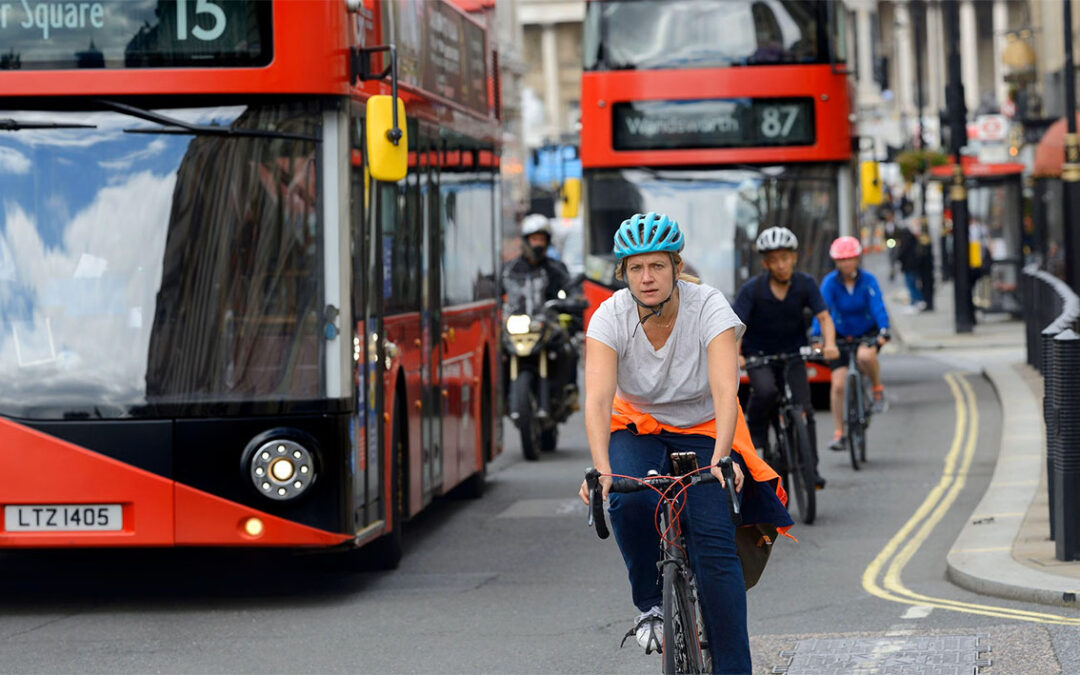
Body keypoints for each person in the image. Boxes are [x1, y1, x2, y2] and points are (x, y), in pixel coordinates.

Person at [577, 212, 792, 673]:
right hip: (636, 423)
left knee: (716, 555)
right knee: (630, 502)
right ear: (624, 274)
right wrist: (601, 471)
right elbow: (596, 400)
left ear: (677, 266)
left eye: (656, 265)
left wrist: (721, 458)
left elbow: (725, 389)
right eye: (636, 268)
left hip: (704, 426)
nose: (647, 277)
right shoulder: (609, 316)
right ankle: (650, 604)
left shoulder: (709, 306)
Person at [734, 227, 839, 490]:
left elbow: (824, 318)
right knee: (766, 391)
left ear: (794, 257)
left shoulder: (805, 284)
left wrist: (830, 344)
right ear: (765, 263)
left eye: (785, 257)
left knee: (805, 408)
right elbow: (736, 326)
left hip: (794, 354)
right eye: (774, 259)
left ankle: (811, 469)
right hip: (759, 355)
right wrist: (736, 355)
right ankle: (757, 435)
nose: (780, 264)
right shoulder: (752, 290)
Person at [819, 236, 891, 451]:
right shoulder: (830, 283)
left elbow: (877, 305)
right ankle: (840, 433)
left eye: (850, 259)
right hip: (840, 334)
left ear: (857, 258)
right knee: (839, 384)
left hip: (866, 332)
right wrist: (817, 336)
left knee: (865, 356)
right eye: (841, 260)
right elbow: (822, 312)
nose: (846, 264)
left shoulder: (868, 280)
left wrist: (884, 329)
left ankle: (877, 388)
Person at [502, 213, 570, 303]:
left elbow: (571, 290)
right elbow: (495, 293)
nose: (538, 244)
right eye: (534, 239)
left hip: (548, 316)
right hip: (515, 315)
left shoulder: (556, 269)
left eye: (542, 239)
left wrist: (569, 302)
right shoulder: (509, 270)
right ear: (526, 241)